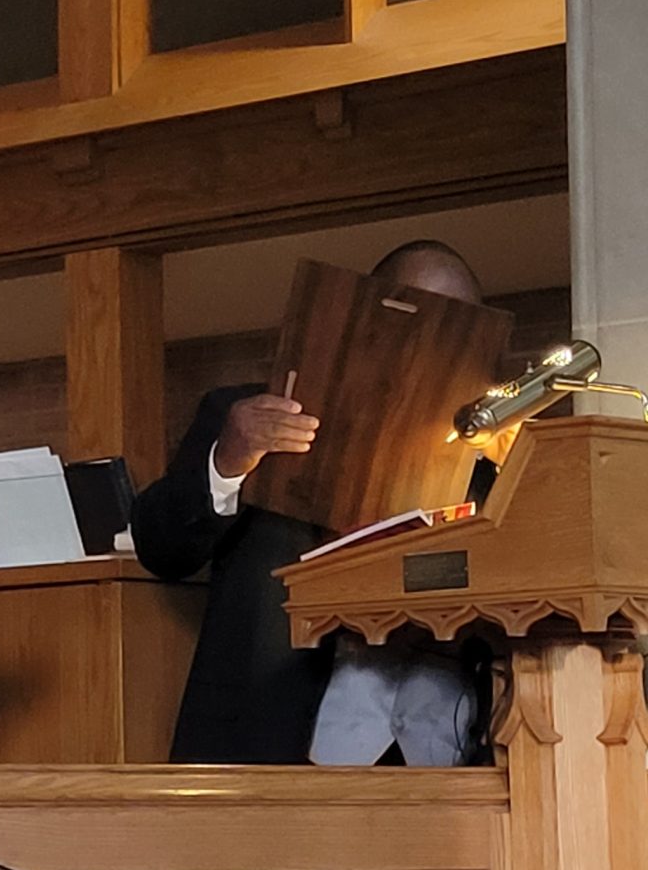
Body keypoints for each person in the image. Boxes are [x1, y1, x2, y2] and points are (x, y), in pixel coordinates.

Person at [132, 241, 488, 766]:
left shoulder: (493, 450)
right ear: (371, 316)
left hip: (444, 750)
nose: (434, 341)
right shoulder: (253, 418)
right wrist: (228, 462)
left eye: (458, 327)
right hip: (277, 740)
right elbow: (160, 547)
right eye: (419, 317)